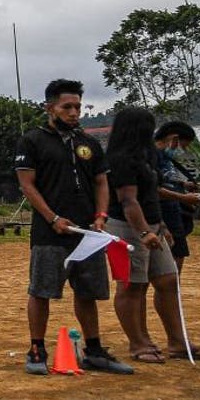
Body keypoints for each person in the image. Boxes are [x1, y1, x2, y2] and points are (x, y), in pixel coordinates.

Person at [14, 79, 131, 375]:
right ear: (49, 107)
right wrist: (53, 218)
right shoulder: (32, 141)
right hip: (49, 232)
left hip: (88, 234)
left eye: (77, 106)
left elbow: (102, 181)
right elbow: (27, 185)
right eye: (67, 107)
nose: (74, 112)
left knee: (88, 292)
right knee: (41, 291)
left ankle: (93, 350)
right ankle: (37, 348)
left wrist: (101, 215)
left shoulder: (88, 143)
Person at [104, 108, 200, 363]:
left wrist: (160, 225)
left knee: (167, 280)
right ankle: (138, 343)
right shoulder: (122, 159)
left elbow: (151, 194)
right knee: (132, 286)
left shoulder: (148, 156)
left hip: (152, 225)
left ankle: (178, 341)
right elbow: (128, 201)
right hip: (126, 227)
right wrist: (143, 232)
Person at [154, 122, 200, 274]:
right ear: (174, 138)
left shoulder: (164, 157)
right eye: (183, 145)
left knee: (178, 255)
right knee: (171, 264)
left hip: (172, 210)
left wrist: (184, 184)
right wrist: (184, 198)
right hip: (163, 211)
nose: (183, 150)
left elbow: (165, 179)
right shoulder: (152, 155)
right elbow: (153, 188)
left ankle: (172, 292)